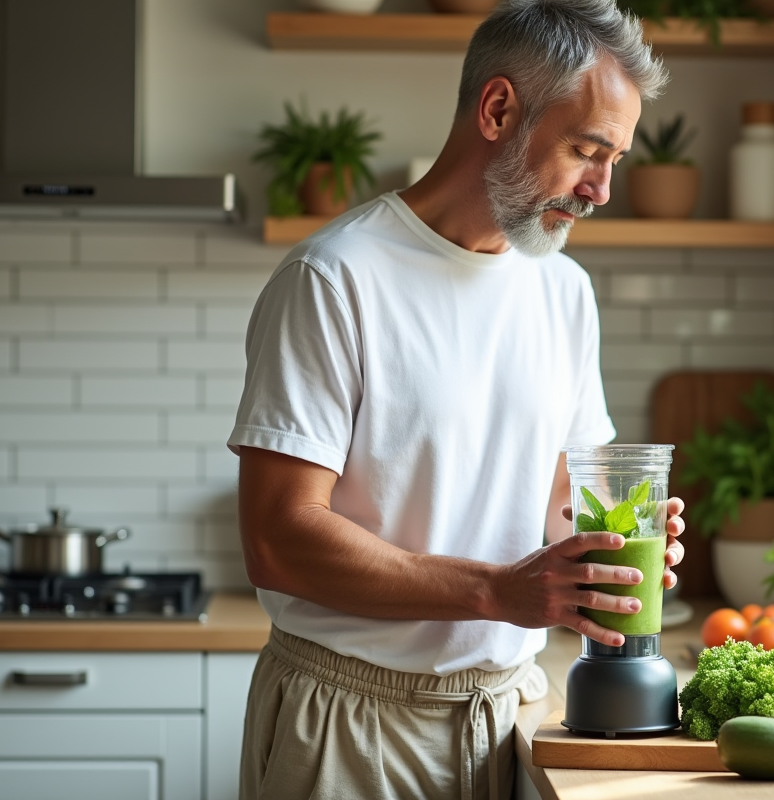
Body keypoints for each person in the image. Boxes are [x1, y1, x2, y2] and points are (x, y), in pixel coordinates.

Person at [228, 1, 683, 798]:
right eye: (587, 150)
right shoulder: (336, 279)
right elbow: (276, 538)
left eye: (615, 160)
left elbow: (558, 500)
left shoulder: (564, 291)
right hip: (348, 723)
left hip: (508, 713)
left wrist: (601, 552)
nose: (602, 189)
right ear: (499, 110)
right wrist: (496, 591)